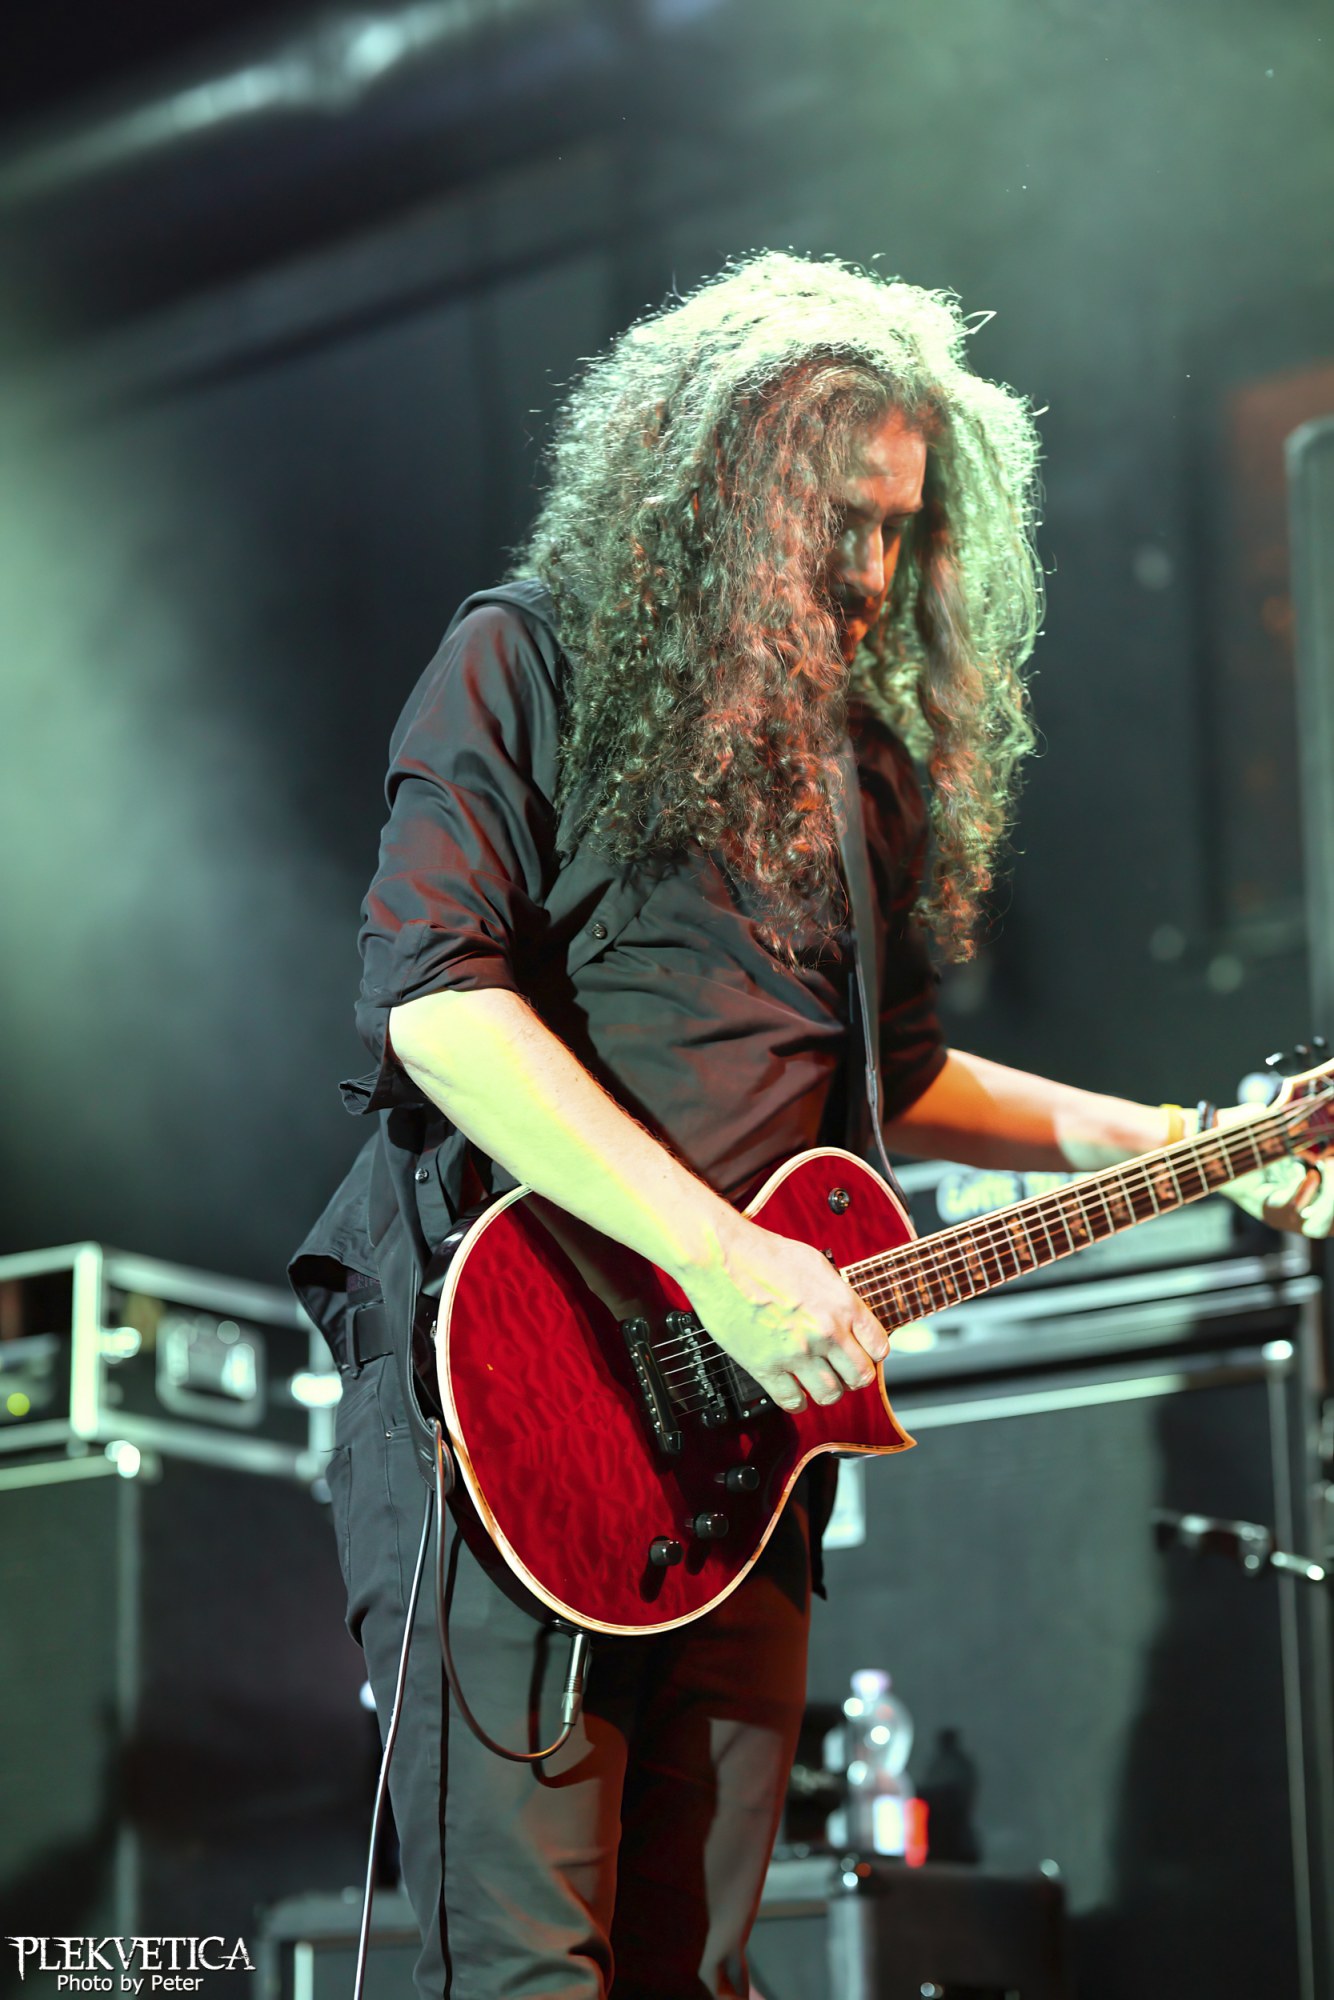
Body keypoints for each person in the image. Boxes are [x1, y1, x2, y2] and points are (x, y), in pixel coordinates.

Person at [290, 252, 1331, 2000]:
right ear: (707, 492)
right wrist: (723, 1261)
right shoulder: (525, 658)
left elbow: (898, 1082)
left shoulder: (864, 776)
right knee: (532, 1973)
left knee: (700, 1971)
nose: (867, 573)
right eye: (832, 521)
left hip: (736, 1455)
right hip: (514, 1396)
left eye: (899, 532)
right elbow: (438, 1008)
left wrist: (1184, 1139)